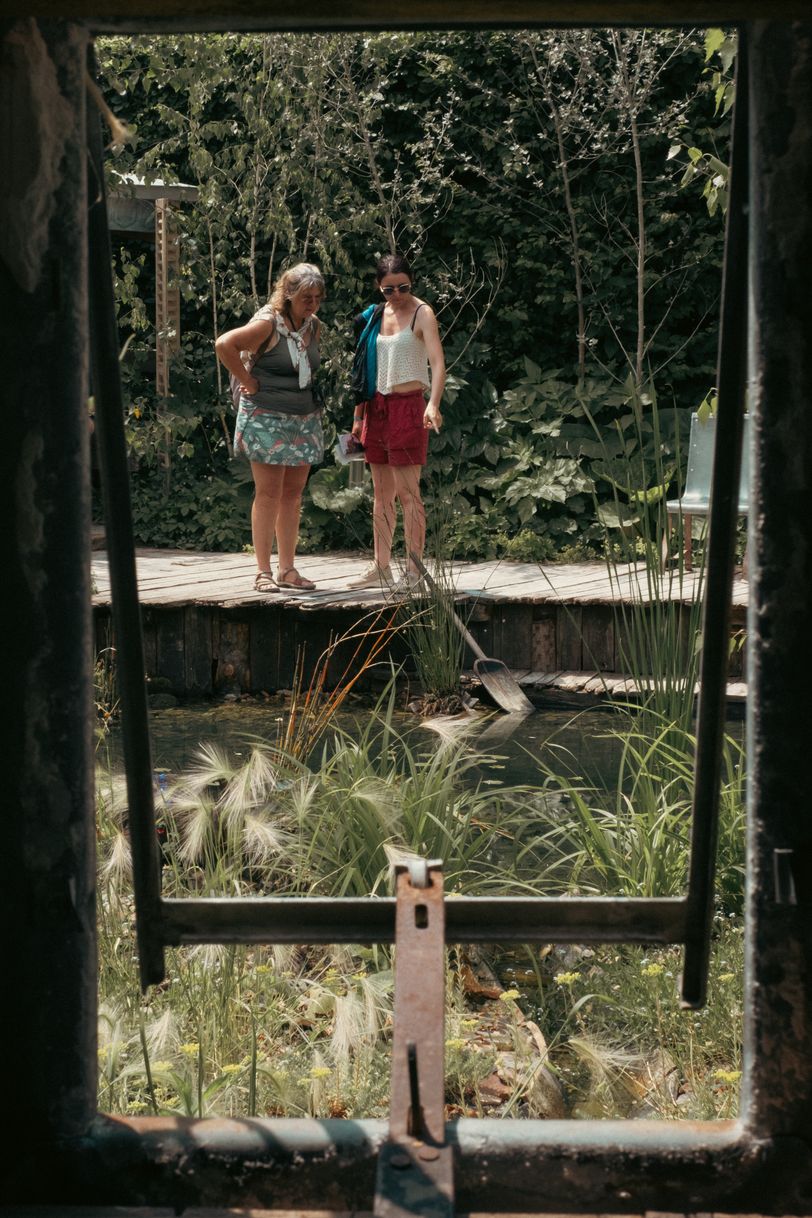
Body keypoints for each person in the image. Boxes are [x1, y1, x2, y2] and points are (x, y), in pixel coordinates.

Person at [215, 263, 325, 592]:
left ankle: (287, 570)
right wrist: (247, 380)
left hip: (303, 417)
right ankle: (263, 571)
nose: (313, 303)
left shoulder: (313, 326)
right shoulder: (267, 323)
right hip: (265, 416)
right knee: (268, 494)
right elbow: (224, 345)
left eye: (318, 297)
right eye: (307, 297)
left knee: (293, 494)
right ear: (288, 295)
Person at [348, 254, 445, 591]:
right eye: (389, 289)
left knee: (408, 494)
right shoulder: (375, 314)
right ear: (379, 287)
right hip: (376, 407)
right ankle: (381, 566)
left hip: (407, 408)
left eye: (403, 286)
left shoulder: (422, 312)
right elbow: (363, 370)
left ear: (412, 282)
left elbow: (437, 361)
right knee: (381, 495)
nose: (397, 294)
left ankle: (415, 570)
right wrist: (358, 418)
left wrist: (432, 404)